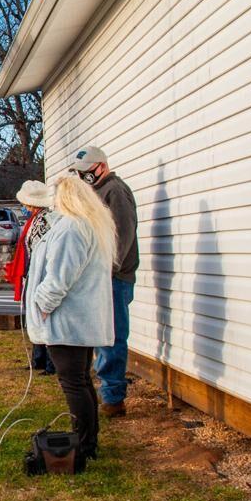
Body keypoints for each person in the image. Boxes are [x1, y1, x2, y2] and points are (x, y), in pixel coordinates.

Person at [26, 174, 117, 466]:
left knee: (73, 383)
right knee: (81, 380)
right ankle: (88, 440)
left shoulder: (71, 229)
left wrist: (42, 305)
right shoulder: (89, 225)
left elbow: (59, 277)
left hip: (69, 320)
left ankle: (85, 444)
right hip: (80, 318)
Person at [70, 145, 139, 418]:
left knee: (112, 337)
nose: (83, 177)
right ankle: (107, 390)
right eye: (79, 173)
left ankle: (113, 398)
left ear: (101, 166)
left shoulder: (115, 191)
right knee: (101, 336)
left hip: (114, 278)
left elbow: (123, 236)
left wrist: (108, 270)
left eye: (86, 171)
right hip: (100, 277)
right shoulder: (95, 192)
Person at [5, 181, 56, 375]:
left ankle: (50, 362)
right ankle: (38, 358)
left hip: (41, 274)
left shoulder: (45, 221)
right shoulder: (33, 220)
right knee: (33, 318)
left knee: (43, 319)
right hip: (31, 274)